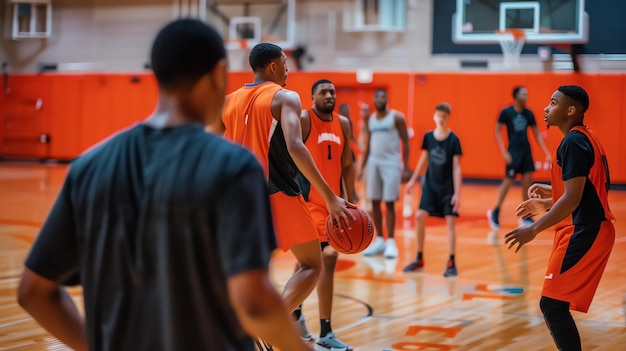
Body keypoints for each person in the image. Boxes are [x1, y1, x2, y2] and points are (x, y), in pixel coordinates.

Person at [16, 19, 312, 351]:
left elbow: (33, 292)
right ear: (217, 74)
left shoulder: (87, 166)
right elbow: (254, 303)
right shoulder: (233, 167)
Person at [221, 43, 354, 317]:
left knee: (247, 270)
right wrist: (330, 197)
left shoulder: (228, 100)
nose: (288, 70)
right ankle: (272, 324)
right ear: (273, 66)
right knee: (311, 265)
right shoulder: (285, 97)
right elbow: (296, 145)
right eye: (285, 63)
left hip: (235, 198)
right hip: (275, 193)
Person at [505, 85, 615, 351]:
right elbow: (585, 192)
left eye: (553, 103)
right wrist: (545, 201)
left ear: (570, 110)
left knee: (552, 305)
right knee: (554, 305)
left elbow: (572, 199)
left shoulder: (573, 143)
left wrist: (533, 230)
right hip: (589, 228)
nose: (546, 107)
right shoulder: (585, 136)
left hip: (586, 231)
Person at [293, 80, 355, 351]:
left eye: (332, 92)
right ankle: (325, 332)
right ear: (312, 96)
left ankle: (295, 314)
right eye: (323, 92)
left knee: (307, 264)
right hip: (309, 205)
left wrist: (351, 200)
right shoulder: (305, 119)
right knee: (325, 259)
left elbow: (347, 163)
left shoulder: (343, 123)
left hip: (335, 206)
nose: (329, 95)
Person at [403, 103, 462, 277]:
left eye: (444, 116)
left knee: (451, 221)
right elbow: (423, 160)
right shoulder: (428, 137)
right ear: (434, 117)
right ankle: (419, 258)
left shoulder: (454, 140)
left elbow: (457, 167)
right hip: (430, 185)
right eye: (438, 115)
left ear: (448, 117)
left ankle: (451, 261)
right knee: (419, 216)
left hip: (447, 187)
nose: (441, 118)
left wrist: (457, 193)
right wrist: (412, 180)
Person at [487, 86, 552, 230]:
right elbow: (497, 131)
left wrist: (547, 152)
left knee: (527, 184)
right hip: (513, 152)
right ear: (516, 96)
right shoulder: (506, 112)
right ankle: (495, 211)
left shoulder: (529, 113)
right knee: (508, 181)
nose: (526, 96)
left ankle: (526, 215)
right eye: (524, 93)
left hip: (526, 152)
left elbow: (536, 134)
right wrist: (504, 151)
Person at [360, 89, 411, 258]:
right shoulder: (371, 119)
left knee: (389, 203)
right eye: (377, 96)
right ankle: (380, 240)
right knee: (374, 202)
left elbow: (406, 141)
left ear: (387, 99)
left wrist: (405, 167)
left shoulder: (396, 117)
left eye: (383, 96)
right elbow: (368, 145)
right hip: (374, 163)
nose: (380, 99)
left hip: (392, 164)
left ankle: (391, 242)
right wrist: (362, 167)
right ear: (374, 99)